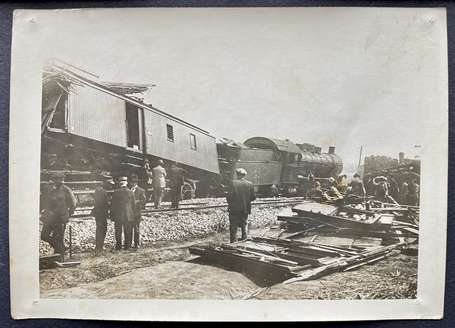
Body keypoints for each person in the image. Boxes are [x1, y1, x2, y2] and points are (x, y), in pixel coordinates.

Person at [40, 172, 77, 259]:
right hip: (49, 218)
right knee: (44, 235)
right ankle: (62, 248)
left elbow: (73, 204)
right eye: (55, 179)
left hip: (60, 218)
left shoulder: (67, 190)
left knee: (59, 237)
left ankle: (59, 257)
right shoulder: (49, 190)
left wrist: (68, 214)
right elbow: (43, 201)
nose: (57, 181)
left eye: (59, 179)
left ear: (62, 180)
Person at [226, 168, 256, 243]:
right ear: (244, 175)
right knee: (244, 225)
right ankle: (244, 241)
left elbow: (229, 196)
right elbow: (253, 197)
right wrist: (246, 201)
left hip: (234, 209)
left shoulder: (233, 183)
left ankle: (233, 242)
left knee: (233, 226)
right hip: (245, 209)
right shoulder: (250, 184)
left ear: (237, 174)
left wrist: (231, 203)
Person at [110, 176, 136, 250]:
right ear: (126, 183)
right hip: (128, 215)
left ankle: (118, 246)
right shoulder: (130, 192)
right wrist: (132, 214)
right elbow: (133, 204)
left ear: (119, 183)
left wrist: (112, 215)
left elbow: (113, 205)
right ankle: (127, 246)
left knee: (118, 231)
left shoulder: (116, 192)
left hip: (118, 215)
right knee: (127, 231)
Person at [92, 176, 113, 254]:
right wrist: (110, 203)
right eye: (109, 184)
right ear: (105, 183)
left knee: (100, 229)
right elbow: (104, 203)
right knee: (102, 230)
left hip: (99, 213)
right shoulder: (102, 192)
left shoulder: (98, 190)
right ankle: (99, 247)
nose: (110, 186)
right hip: (101, 214)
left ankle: (99, 246)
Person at [129, 173, 147, 248]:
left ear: (136, 182)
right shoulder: (128, 190)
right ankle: (129, 243)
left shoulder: (141, 190)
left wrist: (137, 202)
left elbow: (144, 201)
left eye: (134, 182)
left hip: (136, 212)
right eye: (132, 182)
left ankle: (136, 243)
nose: (133, 183)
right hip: (129, 213)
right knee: (129, 229)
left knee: (136, 229)